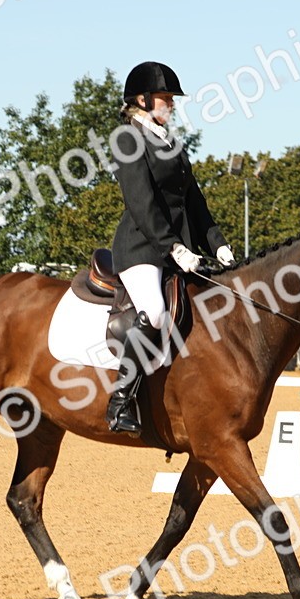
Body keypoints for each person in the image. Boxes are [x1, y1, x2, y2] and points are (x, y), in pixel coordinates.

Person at [105, 61, 235, 435]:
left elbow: (194, 202)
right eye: (166, 98)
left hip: (177, 250)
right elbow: (141, 202)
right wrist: (174, 247)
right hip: (142, 249)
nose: (172, 105)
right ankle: (120, 402)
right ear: (143, 100)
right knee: (156, 312)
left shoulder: (170, 142)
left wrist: (218, 243)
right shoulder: (127, 139)